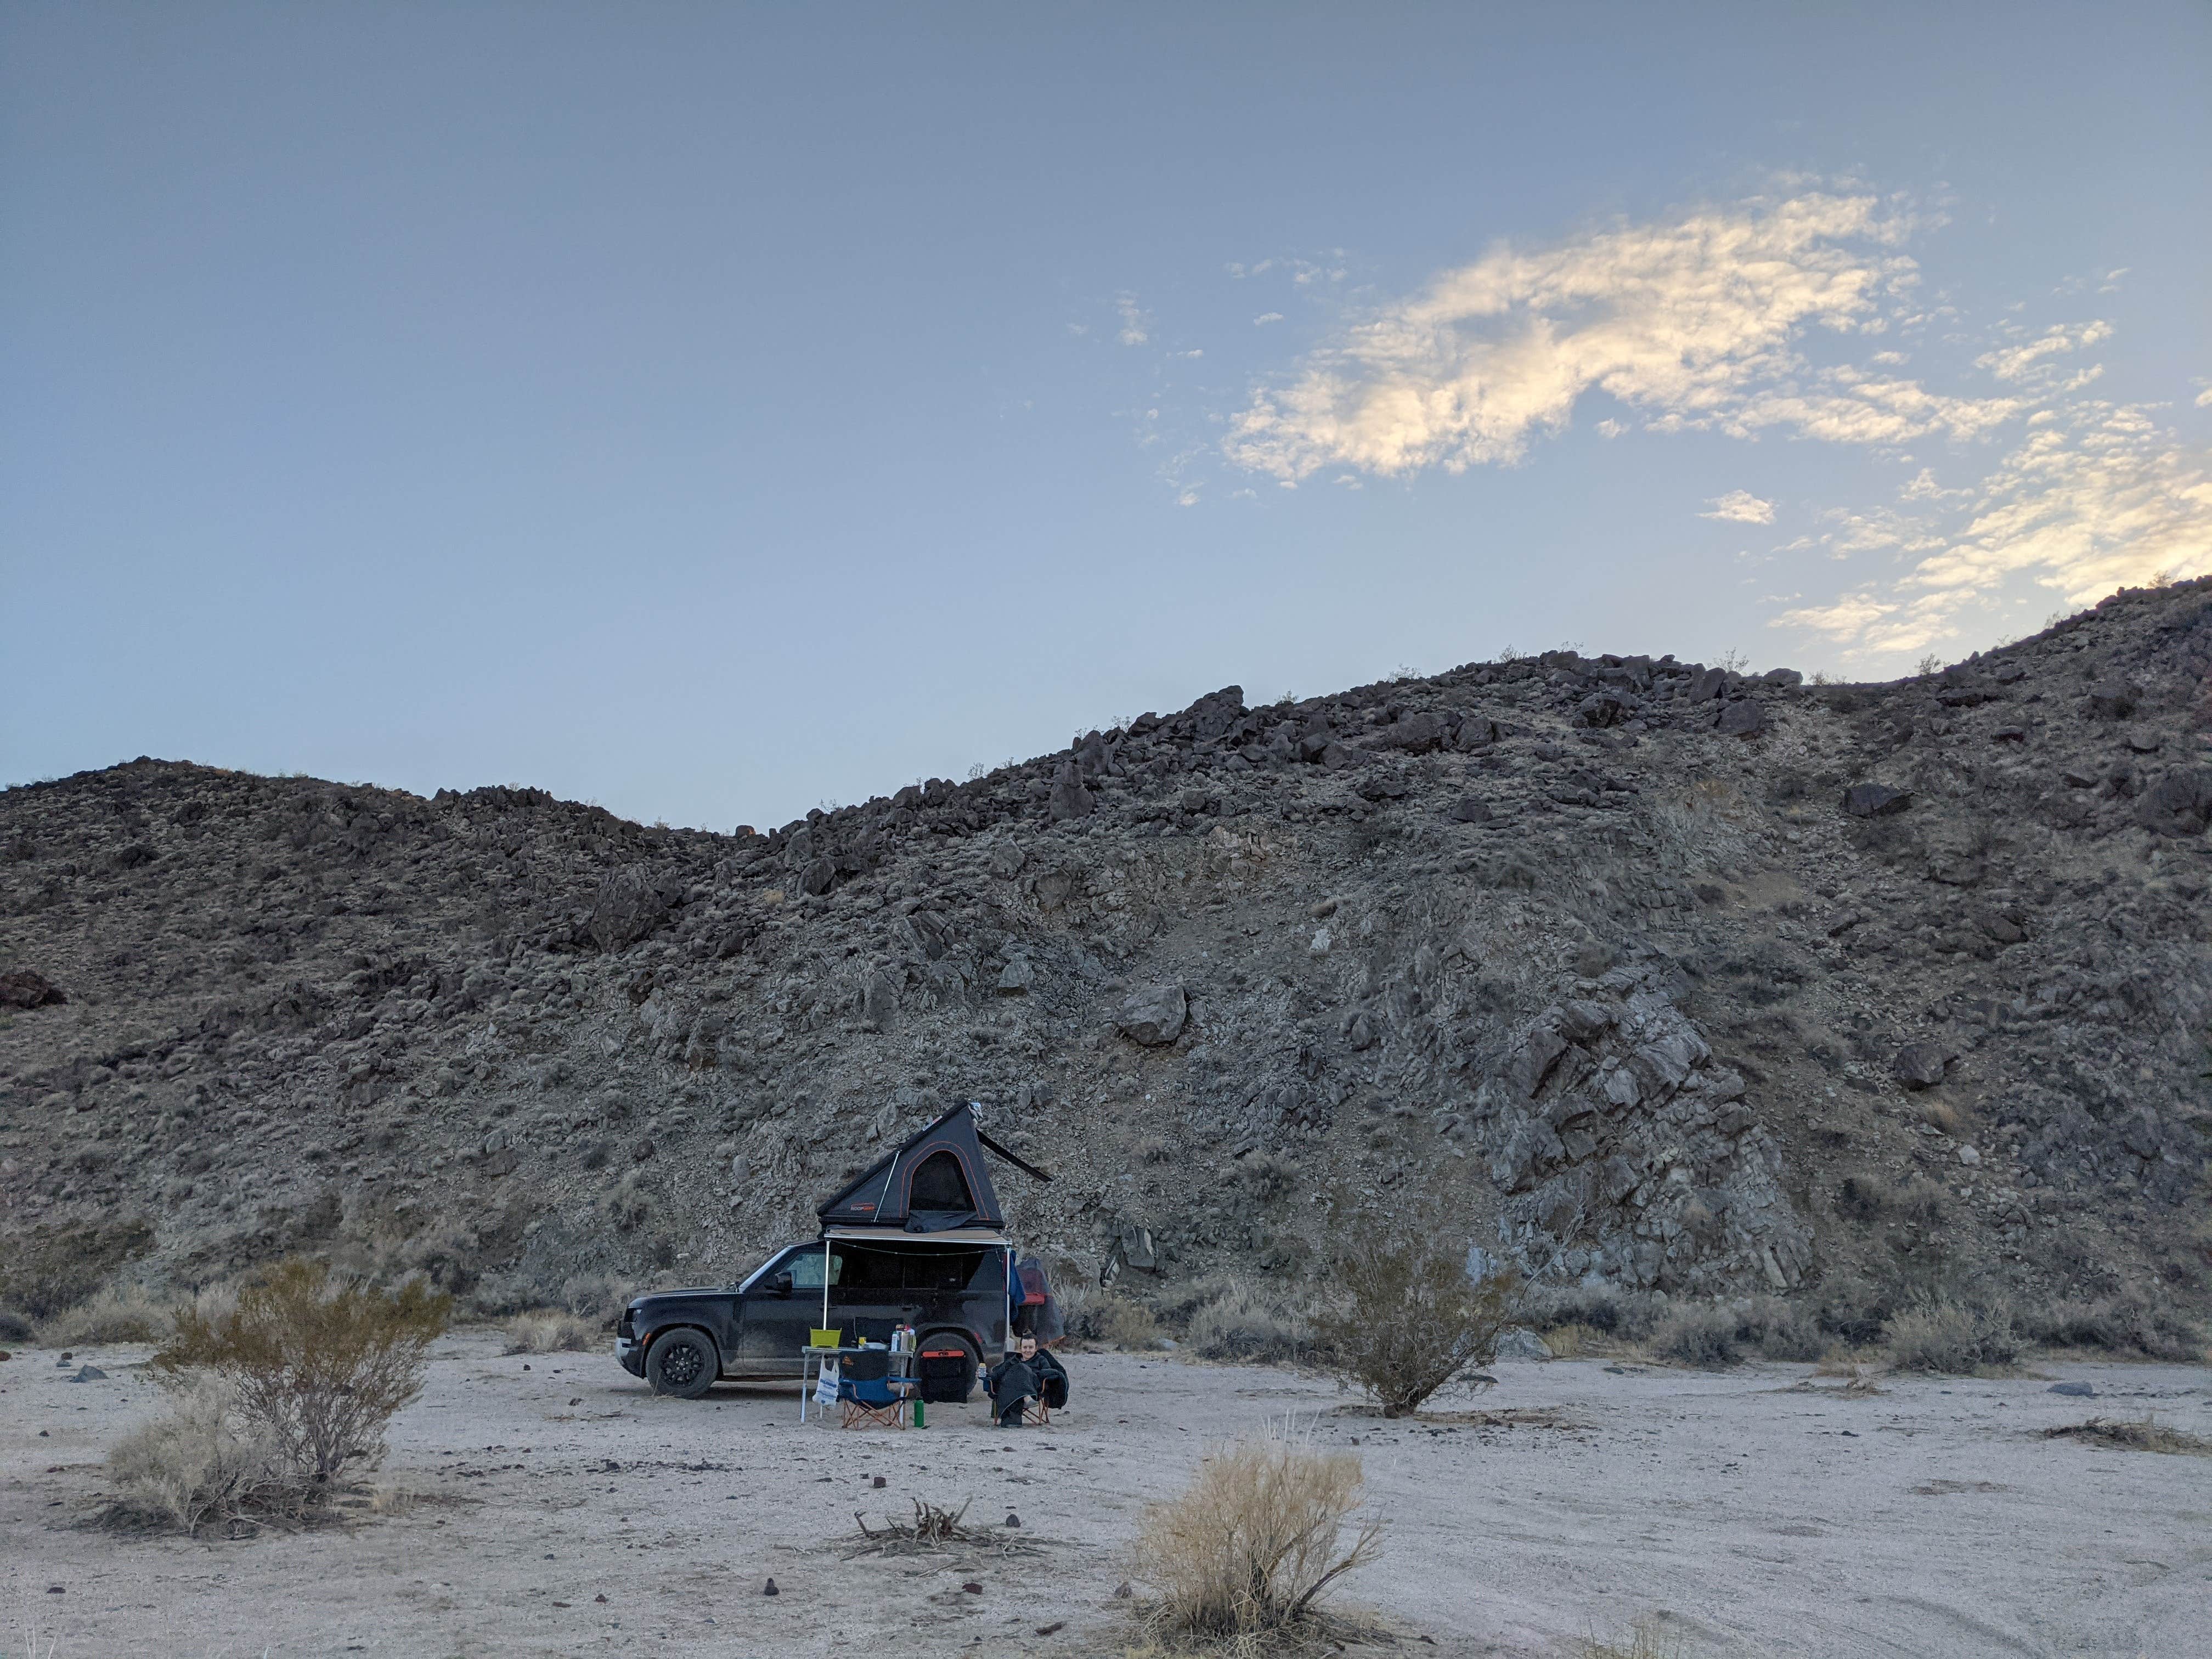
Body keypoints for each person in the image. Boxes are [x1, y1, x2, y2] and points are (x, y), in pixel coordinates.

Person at [986, 1335, 1068, 1427]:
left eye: (1031, 1347)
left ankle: (1027, 1397)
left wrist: (1032, 1373)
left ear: (1036, 1348)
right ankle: (1015, 1416)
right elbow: (998, 1374)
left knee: (1022, 1368)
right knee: (1018, 1369)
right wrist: (984, 1375)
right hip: (1012, 1391)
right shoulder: (1013, 1360)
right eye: (1025, 1347)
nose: (1028, 1350)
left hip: (1034, 1388)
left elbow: (1047, 1373)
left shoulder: (1041, 1360)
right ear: (1020, 1348)